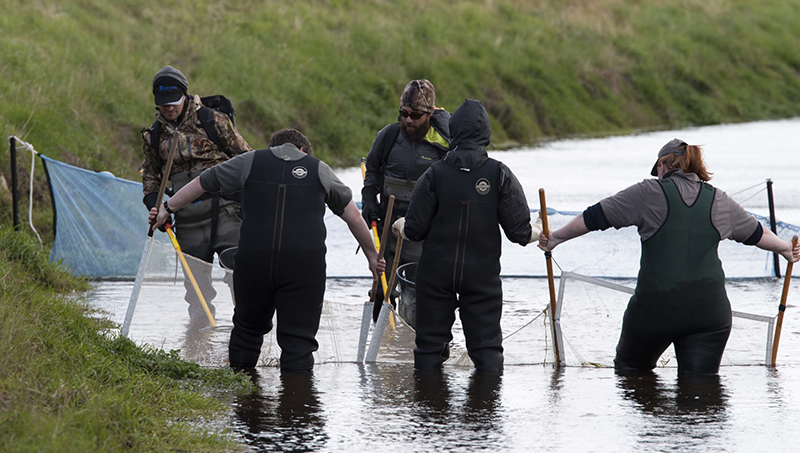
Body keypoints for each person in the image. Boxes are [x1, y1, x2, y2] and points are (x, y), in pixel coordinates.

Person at [538, 138, 800, 375]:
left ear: (664, 165)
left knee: (630, 373)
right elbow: (757, 233)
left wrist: (556, 238)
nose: (657, 174)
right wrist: (786, 249)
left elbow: (594, 217)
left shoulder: (648, 193)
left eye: (658, 169)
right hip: (710, 315)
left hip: (655, 310)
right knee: (701, 392)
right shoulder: (719, 199)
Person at [151, 129, 385, 371]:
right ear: (303, 150)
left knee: (247, 331)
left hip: (254, 260)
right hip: (304, 266)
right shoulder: (319, 169)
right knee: (298, 341)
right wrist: (371, 256)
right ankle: (296, 402)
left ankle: (244, 398)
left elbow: (201, 182)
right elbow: (353, 217)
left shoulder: (249, 161)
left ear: (274, 147)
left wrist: (167, 208)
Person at [392, 99, 540, 372]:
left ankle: (429, 409)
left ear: (454, 132)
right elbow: (519, 232)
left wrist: (400, 224)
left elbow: (414, 229)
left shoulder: (434, 173)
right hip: (481, 276)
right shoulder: (499, 174)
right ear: (486, 134)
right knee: (487, 352)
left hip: (436, 273)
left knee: (429, 349)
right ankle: (484, 410)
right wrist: (540, 231)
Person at [140, 66, 252, 323]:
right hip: (186, 216)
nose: (169, 109)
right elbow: (150, 177)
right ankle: (199, 338)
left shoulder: (213, 120)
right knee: (195, 288)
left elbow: (247, 158)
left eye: (174, 103)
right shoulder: (154, 136)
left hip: (226, 209)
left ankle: (246, 330)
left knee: (236, 269)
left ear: (185, 95)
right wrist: (153, 206)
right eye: (163, 104)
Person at [361, 79, 450, 315]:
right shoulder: (389, 136)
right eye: (403, 113)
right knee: (380, 293)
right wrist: (369, 196)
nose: (408, 120)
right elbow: (372, 170)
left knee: (416, 298)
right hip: (388, 226)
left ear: (430, 113)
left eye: (415, 115)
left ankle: (414, 346)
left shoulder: (443, 144)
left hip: (423, 231)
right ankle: (383, 348)